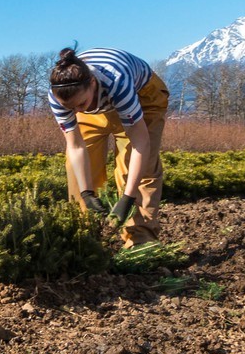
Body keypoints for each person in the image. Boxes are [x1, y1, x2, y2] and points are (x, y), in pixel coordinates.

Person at [46, 47, 169, 245]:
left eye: (80, 105)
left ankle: (140, 241)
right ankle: (86, 240)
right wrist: (87, 194)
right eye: (70, 108)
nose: (76, 112)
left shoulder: (117, 81)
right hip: (96, 101)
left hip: (143, 96)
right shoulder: (60, 96)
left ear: (93, 83)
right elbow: (76, 147)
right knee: (77, 171)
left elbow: (140, 143)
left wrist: (128, 198)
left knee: (138, 169)